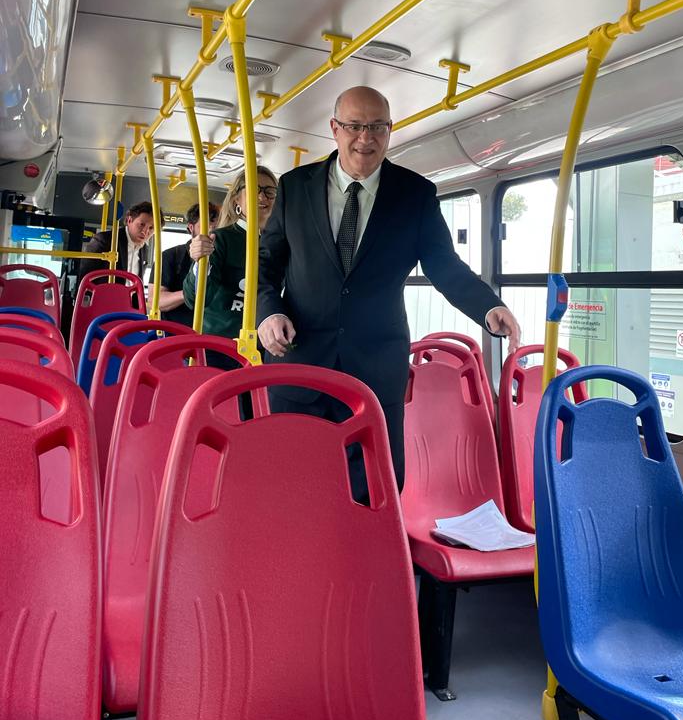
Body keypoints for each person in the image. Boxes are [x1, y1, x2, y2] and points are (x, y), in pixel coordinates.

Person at [257, 86, 521, 499]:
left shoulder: (414, 195)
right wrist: (268, 312)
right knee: (293, 480)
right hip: (299, 357)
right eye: (355, 126)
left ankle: (365, 562)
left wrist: (488, 305)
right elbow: (266, 265)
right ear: (335, 129)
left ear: (390, 130)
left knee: (375, 486)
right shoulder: (295, 187)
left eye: (377, 127)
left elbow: (443, 265)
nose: (366, 138)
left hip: (376, 365)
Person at [183, 166, 279, 342]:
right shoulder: (220, 239)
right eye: (253, 189)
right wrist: (199, 262)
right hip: (220, 345)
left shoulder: (281, 241)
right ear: (237, 201)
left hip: (265, 346)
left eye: (269, 191)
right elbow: (195, 299)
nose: (262, 196)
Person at [147, 202, 219, 326]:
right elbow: (156, 301)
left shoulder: (223, 259)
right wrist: (189, 292)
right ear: (191, 228)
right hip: (175, 332)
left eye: (217, 227)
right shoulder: (170, 257)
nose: (213, 232)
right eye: (207, 226)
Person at [78, 200, 158, 283]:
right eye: (142, 224)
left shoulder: (144, 249)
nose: (145, 231)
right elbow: (84, 277)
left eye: (151, 228)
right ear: (129, 220)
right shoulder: (105, 240)